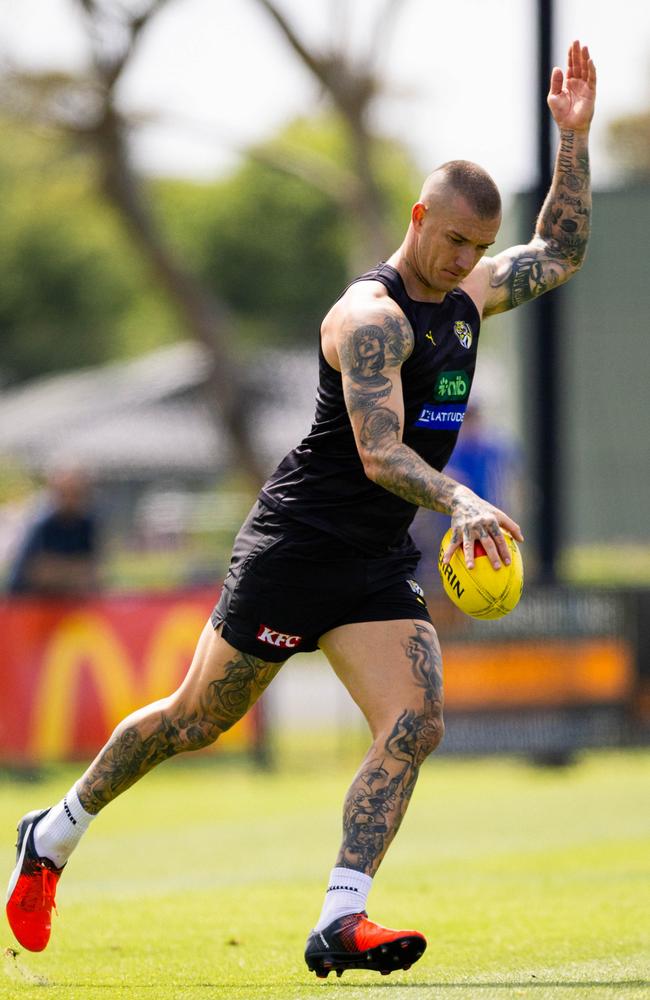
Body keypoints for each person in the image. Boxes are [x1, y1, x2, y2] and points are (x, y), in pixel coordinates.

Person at [6, 41, 595, 978]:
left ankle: (340, 919)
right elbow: (379, 451)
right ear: (418, 217)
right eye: (452, 241)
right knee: (194, 721)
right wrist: (460, 494)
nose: (465, 260)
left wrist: (573, 139)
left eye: (479, 248)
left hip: (369, 560)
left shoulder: (465, 297)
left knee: (417, 720)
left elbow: (559, 249)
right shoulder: (372, 318)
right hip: (296, 544)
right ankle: (53, 833)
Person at [6, 466, 100, 597]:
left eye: (76, 493)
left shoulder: (86, 525)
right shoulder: (42, 526)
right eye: (65, 494)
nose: (70, 500)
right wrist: (73, 572)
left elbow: (93, 574)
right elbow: (39, 573)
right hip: (29, 605)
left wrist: (61, 570)